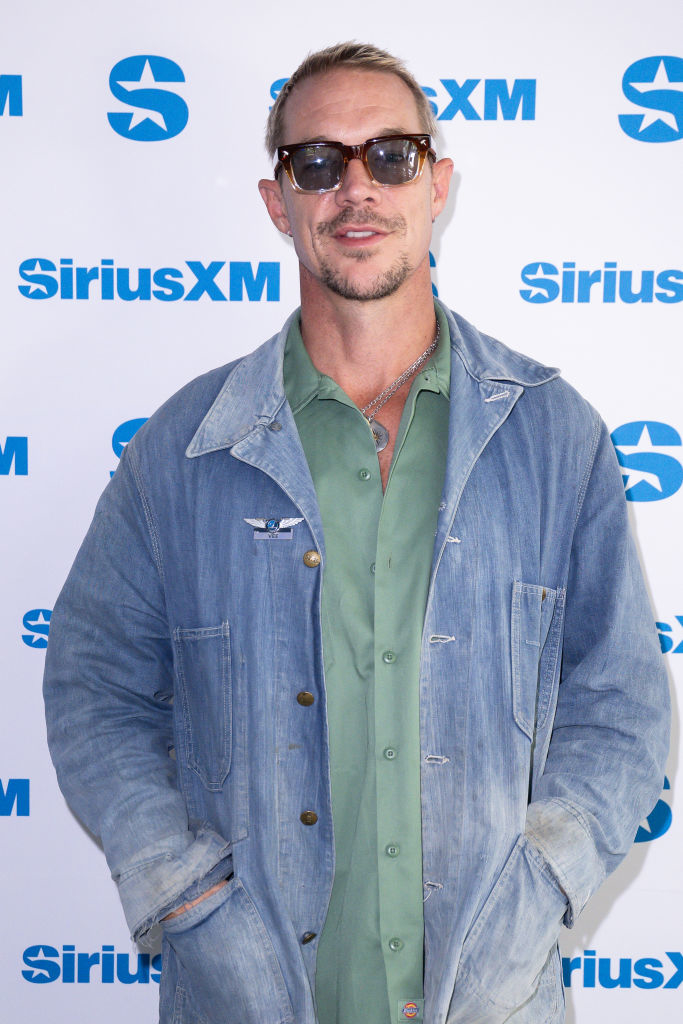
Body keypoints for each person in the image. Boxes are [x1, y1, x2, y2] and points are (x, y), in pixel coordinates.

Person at [43, 41, 669, 1024]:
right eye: (318, 163)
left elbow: (622, 701)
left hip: (494, 998)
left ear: (437, 184)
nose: (356, 189)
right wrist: (185, 889)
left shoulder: (555, 435)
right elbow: (92, 684)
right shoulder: (184, 449)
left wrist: (543, 877)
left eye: (390, 155)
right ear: (276, 200)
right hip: (245, 999)